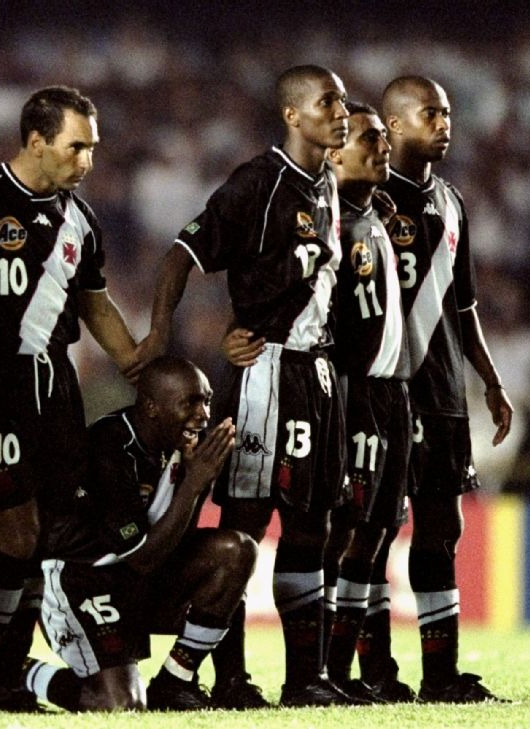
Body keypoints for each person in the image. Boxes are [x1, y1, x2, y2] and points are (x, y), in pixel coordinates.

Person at [132, 65, 358, 707]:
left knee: (311, 528)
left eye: (342, 101)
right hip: (265, 376)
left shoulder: (327, 185)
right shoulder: (258, 184)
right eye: (326, 102)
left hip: (315, 374)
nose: (339, 111)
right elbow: (182, 252)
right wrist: (159, 336)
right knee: (246, 525)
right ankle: (227, 677)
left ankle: (306, 679)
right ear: (292, 114)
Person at [0, 85, 140, 712]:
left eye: (92, 148)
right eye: (75, 147)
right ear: (36, 141)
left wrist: (139, 360)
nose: (86, 160)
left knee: (44, 535)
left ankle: (0, 680)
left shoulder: (80, 221)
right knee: (14, 535)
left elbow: (94, 304)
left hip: (54, 387)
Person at [368, 75, 513, 703]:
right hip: (382, 389)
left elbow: (464, 305)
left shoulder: (452, 203)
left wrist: (490, 379)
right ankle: (372, 670)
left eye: (448, 112)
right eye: (431, 113)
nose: (445, 122)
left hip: (444, 391)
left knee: (441, 526)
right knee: (370, 528)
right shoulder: (364, 198)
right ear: (394, 124)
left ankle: (441, 675)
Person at [24, 356, 252, 711]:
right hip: (83, 579)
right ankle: (16, 670)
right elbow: (143, 557)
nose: (203, 414)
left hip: (134, 577)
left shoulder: (182, 445)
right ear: (151, 407)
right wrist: (193, 484)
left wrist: (196, 482)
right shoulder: (109, 447)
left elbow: (173, 540)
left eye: (206, 400)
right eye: (190, 402)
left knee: (236, 551)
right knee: (119, 704)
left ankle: (174, 683)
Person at [306, 102, 411, 703]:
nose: (380, 147)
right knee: (347, 531)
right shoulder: (329, 219)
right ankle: (329, 670)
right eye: (366, 139)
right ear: (335, 153)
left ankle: (361, 670)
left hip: (390, 390)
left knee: (376, 533)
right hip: (354, 388)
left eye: (379, 137)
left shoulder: (373, 214)